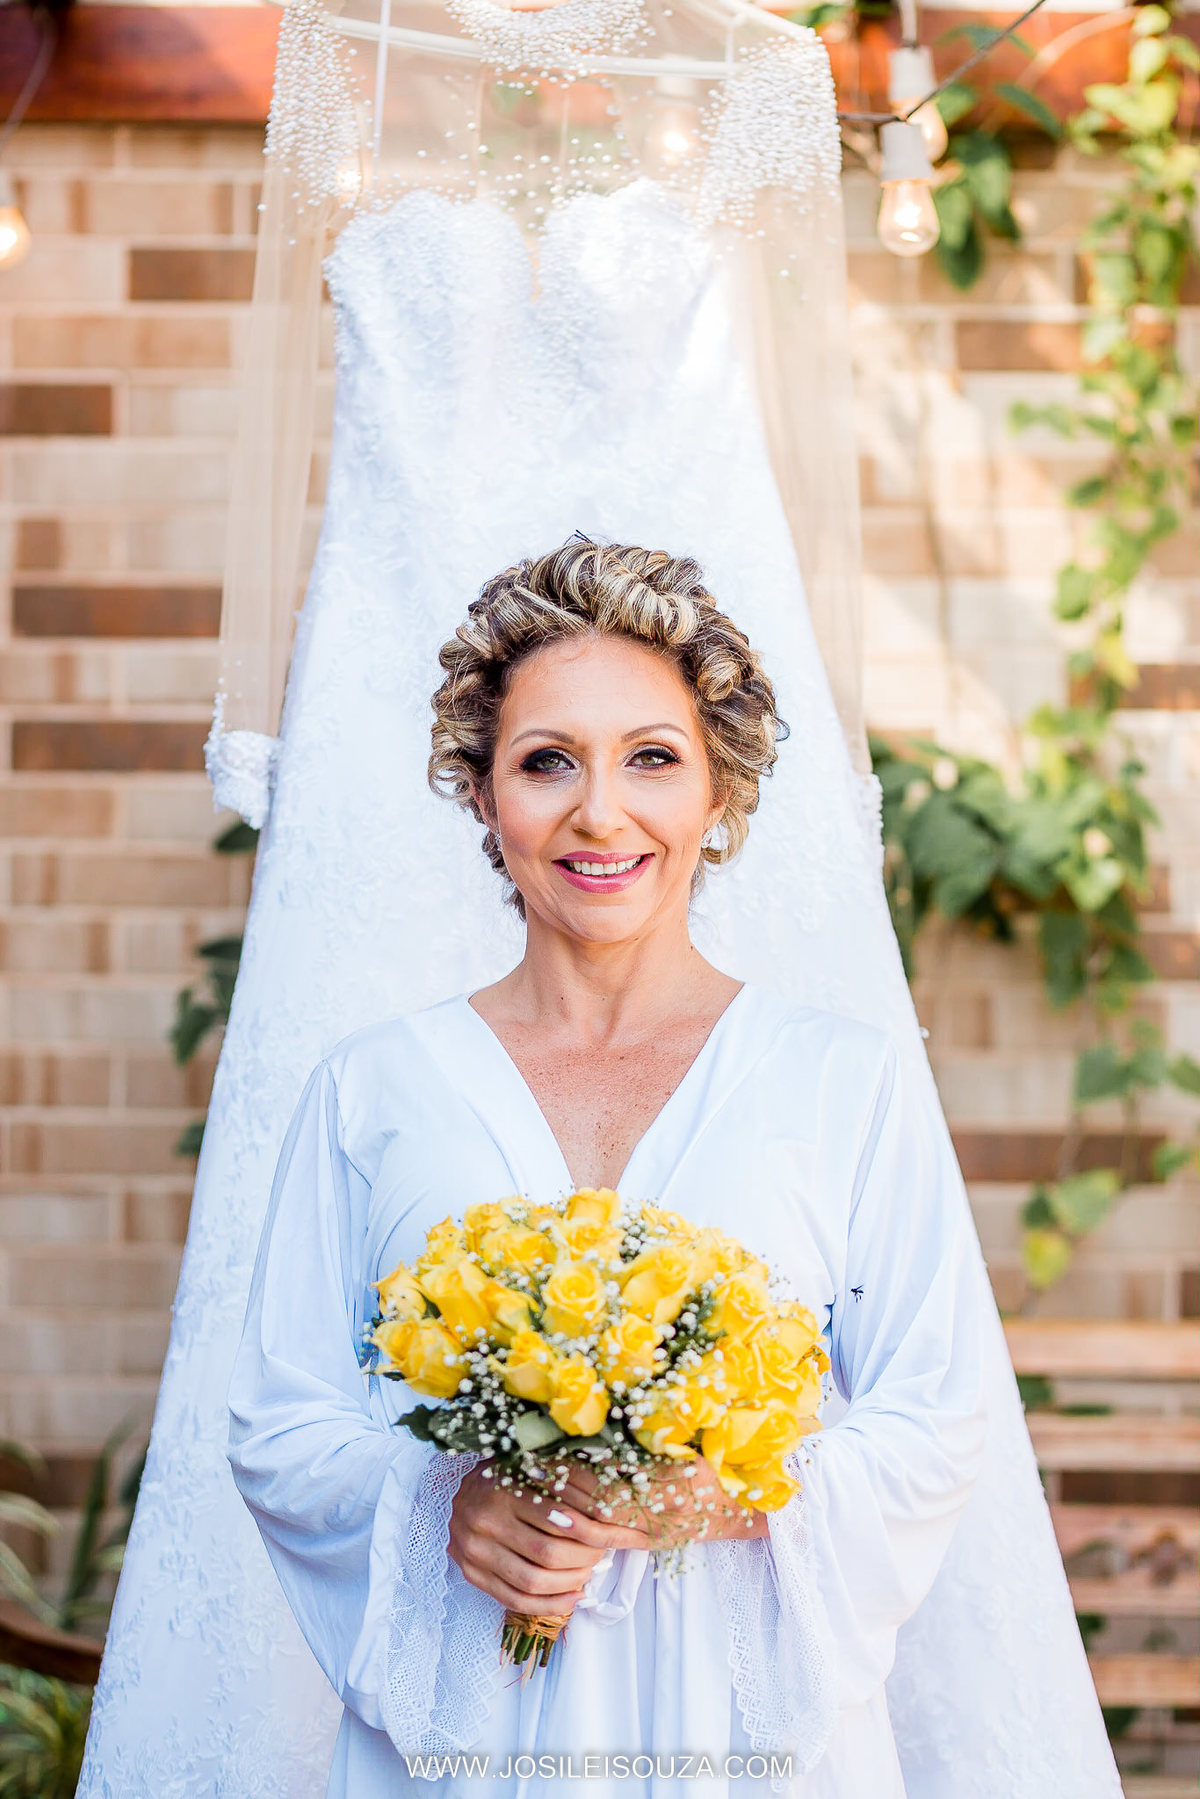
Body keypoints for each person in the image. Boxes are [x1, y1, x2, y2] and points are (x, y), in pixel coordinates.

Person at [226, 539, 1003, 1797]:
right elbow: (278, 1416)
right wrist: (447, 1504)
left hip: (740, 1740)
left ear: (719, 790)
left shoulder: (844, 1084)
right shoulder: (373, 1091)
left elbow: (935, 1413)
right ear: (481, 794)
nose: (601, 813)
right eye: (547, 762)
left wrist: (732, 1489)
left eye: (653, 757)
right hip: (465, 1742)